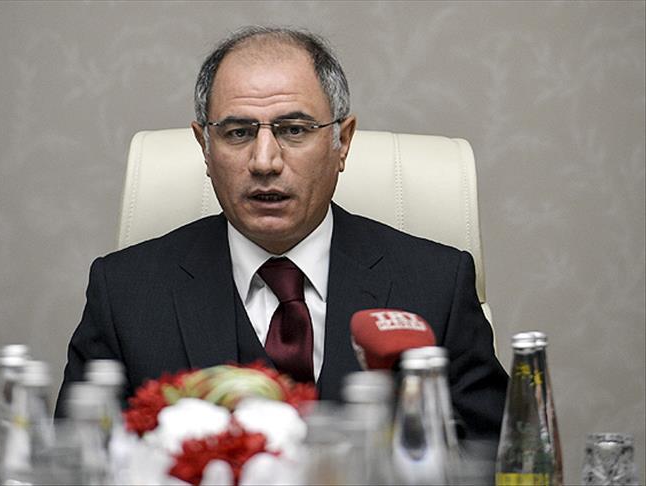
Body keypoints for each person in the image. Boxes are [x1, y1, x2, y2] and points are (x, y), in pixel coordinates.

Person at [56, 26, 507, 442]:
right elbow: (79, 464)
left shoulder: (435, 285)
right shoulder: (125, 293)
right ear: (205, 148)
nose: (265, 161)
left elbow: (491, 460)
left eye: (294, 130)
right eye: (238, 133)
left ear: (342, 142)